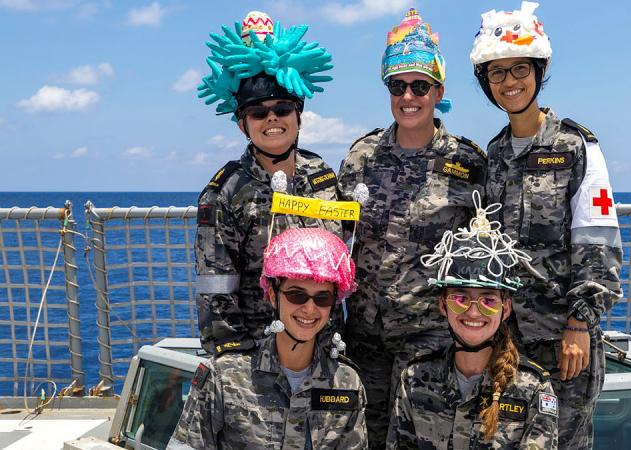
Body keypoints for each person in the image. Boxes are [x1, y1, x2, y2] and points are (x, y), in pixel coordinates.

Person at [470, 3, 623, 449]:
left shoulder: (576, 146)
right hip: (507, 339)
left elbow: (598, 240)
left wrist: (580, 322)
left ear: (539, 72)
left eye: (520, 68)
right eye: (497, 73)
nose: (510, 81)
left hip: (563, 339)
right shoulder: (494, 154)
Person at [337, 8, 488, 447]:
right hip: (365, 334)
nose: (409, 96)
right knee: (363, 436)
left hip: (431, 339)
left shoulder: (467, 163)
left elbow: (484, 250)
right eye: (397, 86)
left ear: (438, 91)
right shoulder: (361, 156)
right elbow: (337, 234)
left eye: (420, 86)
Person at [194, 11, 343, 356]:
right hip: (258, 357)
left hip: (323, 350)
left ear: (299, 116)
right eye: (258, 112)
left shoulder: (321, 175)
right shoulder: (225, 193)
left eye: (283, 108)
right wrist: (234, 360)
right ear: (242, 124)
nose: (272, 118)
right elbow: (216, 289)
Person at [168, 227, 367, 449]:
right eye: (297, 295)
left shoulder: (346, 383)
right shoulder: (224, 377)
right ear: (273, 296)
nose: (310, 309)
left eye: (323, 298)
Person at [387, 191, 557, 449]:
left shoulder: (533, 389)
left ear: (505, 309)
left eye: (488, 300)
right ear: (442, 305)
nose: (474, 312)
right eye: (460, 298)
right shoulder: (414, 379)